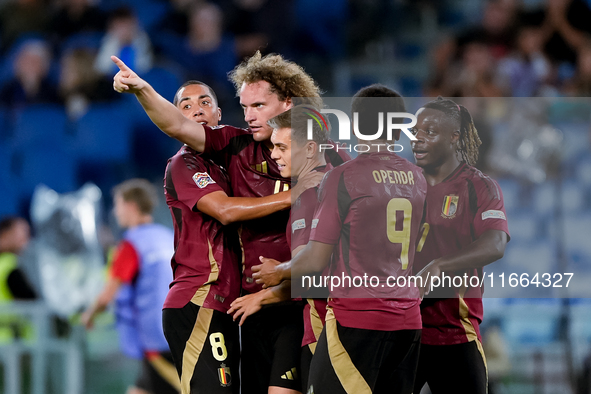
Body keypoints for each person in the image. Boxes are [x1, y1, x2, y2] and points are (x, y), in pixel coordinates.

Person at [111, 51, 337, 394]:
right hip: (243, 307)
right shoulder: (232, 147)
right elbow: (178, 129)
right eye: (244, 107)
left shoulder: (323, 155)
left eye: (258, 106)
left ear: (289, 103)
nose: (249, 116)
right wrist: (143, 89)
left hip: (299, 305)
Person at [253, 87, 428, 394]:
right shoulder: (418, 178)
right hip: (409, 321)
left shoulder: (343, 177)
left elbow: (316, 259)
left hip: (357, 320)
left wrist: (278, 271)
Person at [162, 79, 311, 394]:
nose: (196, 110)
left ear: (218, 116)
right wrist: (291, 196)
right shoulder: (184, 163)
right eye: (185, 106)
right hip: (199, 297)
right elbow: (226, 211)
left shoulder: (235, 160)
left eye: (204, 102)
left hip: (230, 305)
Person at [228, 103, 335, 390]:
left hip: (329, 327)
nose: (273, 155)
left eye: (282, 148)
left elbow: (314, 271)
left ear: (310, 149)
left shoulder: (310, 195)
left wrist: (278, 276)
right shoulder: (336, 181)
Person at [411, 97, 510, 394]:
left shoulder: (478, 187)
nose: (418, 138)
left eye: (430, 131)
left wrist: (439, 265)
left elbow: (495, 243)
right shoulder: (401, 183)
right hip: (403, 331)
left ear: (455, 137)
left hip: (455, 334)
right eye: (416, 131)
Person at [81, 179, 180, 394]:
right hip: (180, 326)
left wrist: (89, 315)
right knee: (142, 388)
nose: (116, 213)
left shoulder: (131, 245)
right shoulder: (168, 237)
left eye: (117, 205)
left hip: (155, 336)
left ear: (130, 206)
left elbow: (108, 294)